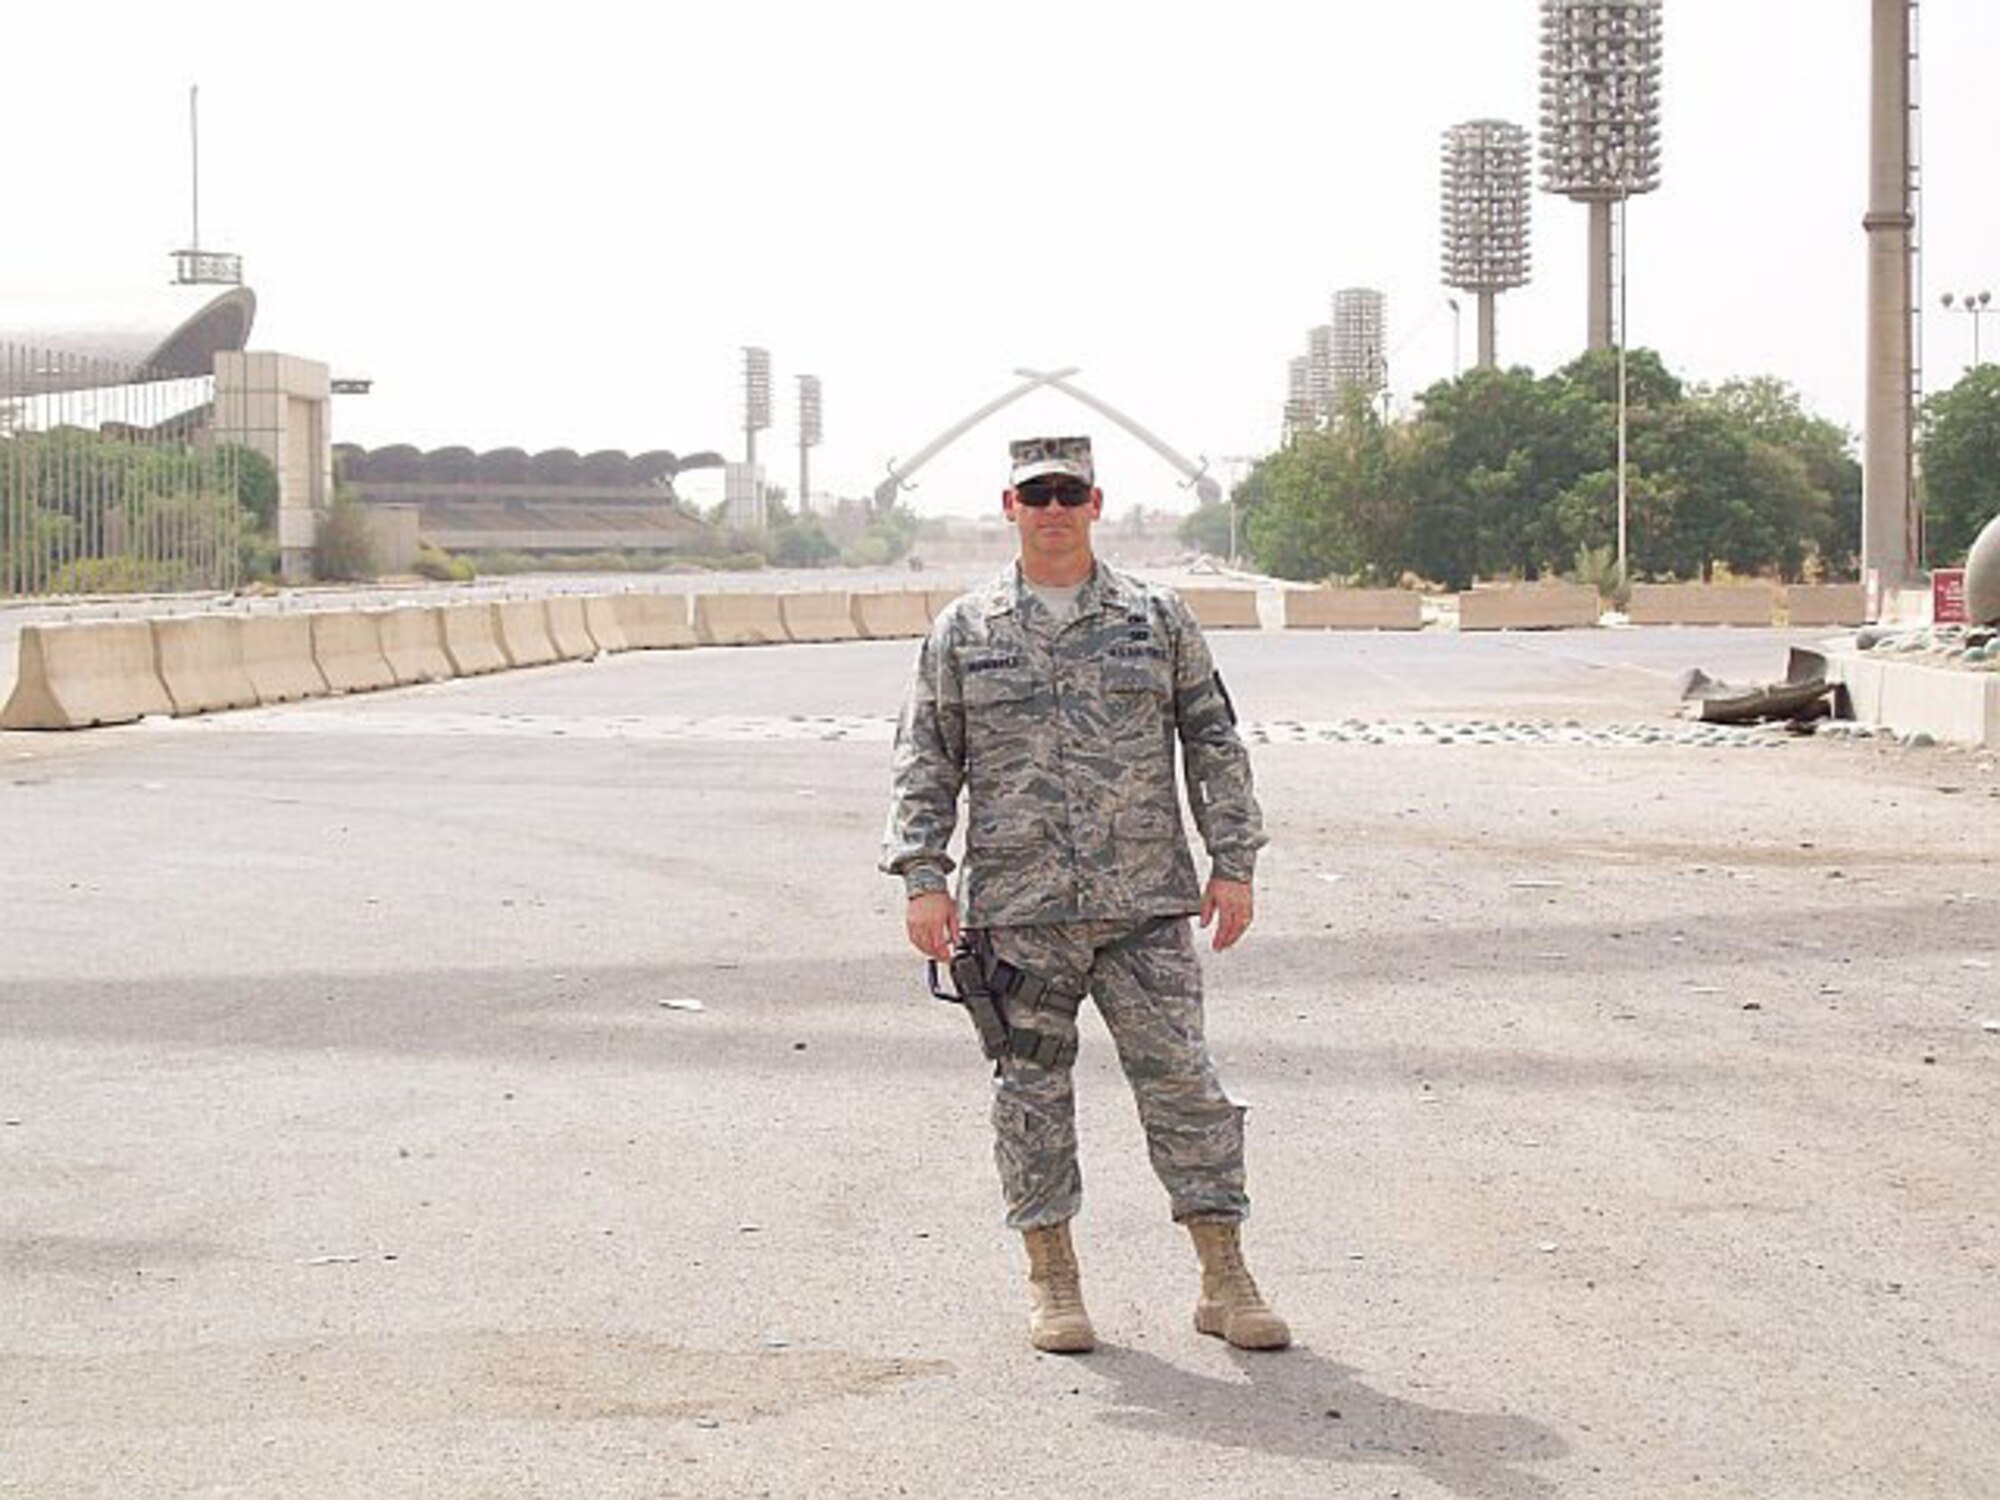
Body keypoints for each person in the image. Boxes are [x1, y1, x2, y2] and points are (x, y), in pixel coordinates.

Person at [881, 434, 1289, 1355]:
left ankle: (1225, 1275)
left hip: (1143, 904)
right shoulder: (965, 629)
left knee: (1186, 1087)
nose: (1054, 509)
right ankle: (1053, 1283)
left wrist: (1234, 859)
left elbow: (1214, 741)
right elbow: (927, 756)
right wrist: (921, 874)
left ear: (1096, 505)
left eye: (1070, 492)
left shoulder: (1157, 617)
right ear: (1010, 507)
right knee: (1029, 1096)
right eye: (1038, 495)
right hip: (1019, 912)